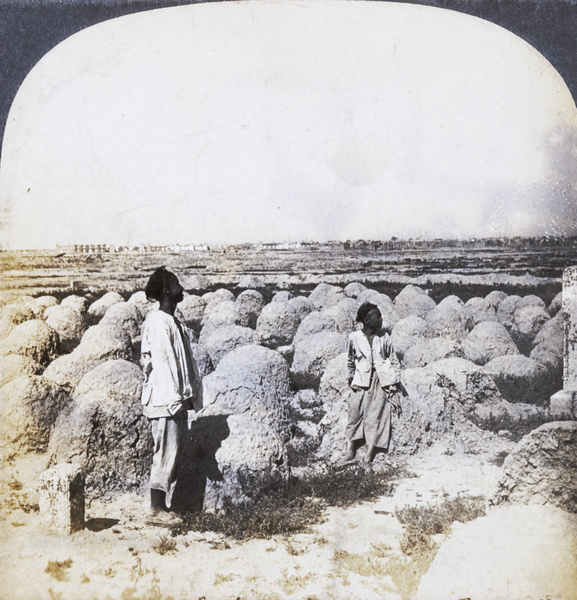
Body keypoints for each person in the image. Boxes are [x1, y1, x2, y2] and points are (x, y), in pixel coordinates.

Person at [140, 267, 199, 526]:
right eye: (176, 283)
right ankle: (155, 510)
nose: (181, 287)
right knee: (164, 452)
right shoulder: (157, 322)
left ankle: (162, 506)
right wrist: (175, 399)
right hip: (165, 400)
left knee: (172, 452)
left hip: (173, 400)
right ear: (166, 290)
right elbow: (164, 364)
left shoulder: (172, 322)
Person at [345, 302, 402, 464]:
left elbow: (393, 359)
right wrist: (351, 377)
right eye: (377, 317)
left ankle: (368, 453)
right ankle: (350, 450)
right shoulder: (354, 338)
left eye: (380, 316)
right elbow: (350, 360)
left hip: (380, 380)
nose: (381, 319)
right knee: (354, 412)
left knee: (376, 415)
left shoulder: (384, 337)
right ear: (367, 321)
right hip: (361, 379)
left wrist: (395, 380)